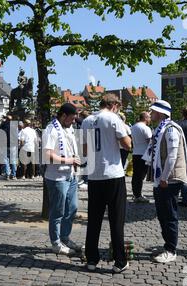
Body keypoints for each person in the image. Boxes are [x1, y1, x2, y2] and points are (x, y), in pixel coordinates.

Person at [82, 94, 131, 273]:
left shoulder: (87, 120)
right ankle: (120, 261)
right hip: (113, 174)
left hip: (94, 176)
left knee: (94, 220)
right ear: (114, 105)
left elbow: (85, 150)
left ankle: (92, 259)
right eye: (118, 106)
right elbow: (128, 145)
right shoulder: (113, 118)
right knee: (116, 219)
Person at [143, 100, 187, 263]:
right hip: (163, 179)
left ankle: (171, 249)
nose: (150, 114)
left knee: (169, 214)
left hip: (169, 179)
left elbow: (172, 156)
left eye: (153, 111)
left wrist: (164, 178)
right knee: (163, 214)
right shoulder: (161, 128)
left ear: (161, 113)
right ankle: (168, 244)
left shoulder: (170, 130)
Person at [43, 103, 82, 255]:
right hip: (57, 177)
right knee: (57, 211)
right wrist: (69, 161)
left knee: (72, 208)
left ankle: (65, 238)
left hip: (70, 175)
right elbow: (47, 156)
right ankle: (56, 243)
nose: (74, 122)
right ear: (63, 116)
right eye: (72, 118)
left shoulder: (68, 127)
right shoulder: (51, 129)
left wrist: (75, 160)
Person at [131, 111, 152, 203]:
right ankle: (138, 196)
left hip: (135, 152)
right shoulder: (145, 128)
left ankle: (136, 193)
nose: (150, 119)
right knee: (141, 176)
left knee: (136, 175)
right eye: (149, 117)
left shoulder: (133, 127)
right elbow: (150, 141)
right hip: (144, 154)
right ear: (145, 118)